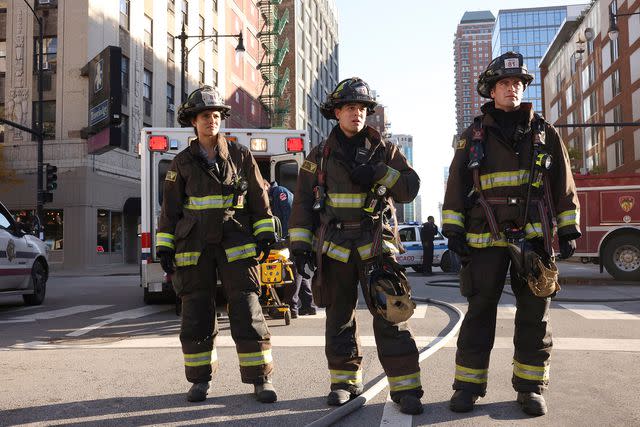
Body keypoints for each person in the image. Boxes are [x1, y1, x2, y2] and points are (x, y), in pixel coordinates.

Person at [442, 52, 580, 416]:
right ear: (491, 90)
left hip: (533, 237)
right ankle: (468, 387)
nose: (512, 89)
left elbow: (563, 185)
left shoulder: (545, 133)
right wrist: (452, 230)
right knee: (479, 312)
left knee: (534, 314)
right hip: (483, 237)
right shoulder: (472, 136)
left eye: (517, 83)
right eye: (505, 83)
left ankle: (531, 388)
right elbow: (456, 186)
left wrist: (568, 229)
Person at [289, 77, 424, 415]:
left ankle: (406, 388)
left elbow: (410, 187)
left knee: (391, 314)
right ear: (336, 112)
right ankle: (344, 383)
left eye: (362, 108)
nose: (357, 113)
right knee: (339, 318)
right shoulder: (318, 157)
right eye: (350, 107)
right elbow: (304, 204)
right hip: (335, 249)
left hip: (377, 246)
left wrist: (380, 172)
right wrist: (301, 248)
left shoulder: (385, 151)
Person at [155, 86, 278, 404]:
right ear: (193, 122)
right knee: (195, 312)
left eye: (215, 115)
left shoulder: (240, 155)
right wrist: (165, 246)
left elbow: (258, 198)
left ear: (221, 119)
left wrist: (265, 232)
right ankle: (199, 382)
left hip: (235, 239)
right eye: (204, 116)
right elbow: (169, 210)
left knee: (247, 308)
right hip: (193, 244)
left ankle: (260, 380)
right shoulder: (180, 163)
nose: (210, 120)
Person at [265, 180, 317, 318]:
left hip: (293, 235)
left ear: (266, 186)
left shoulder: (280, 193)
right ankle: (308, 305)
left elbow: (290, 214)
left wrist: (285, 237)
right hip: (293, 235)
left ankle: (291, 307)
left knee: (291, 269)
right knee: (298, 270)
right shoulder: (274, 196)